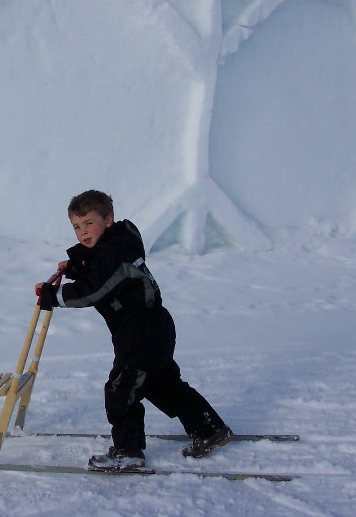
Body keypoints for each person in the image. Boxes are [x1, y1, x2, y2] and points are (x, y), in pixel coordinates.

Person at [35, 190, 233, 471]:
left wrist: (53, 296)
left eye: (89, 223)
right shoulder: (119, 243)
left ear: (109, 220)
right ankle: (209, 428)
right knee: (162, 384)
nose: (82, 232)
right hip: (152, 328)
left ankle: (128, 451)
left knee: (121, 389)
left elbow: (94, 290)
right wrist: (76, 264)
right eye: (77, 227)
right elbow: (99, 263)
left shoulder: (117, 255)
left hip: (140, 332)